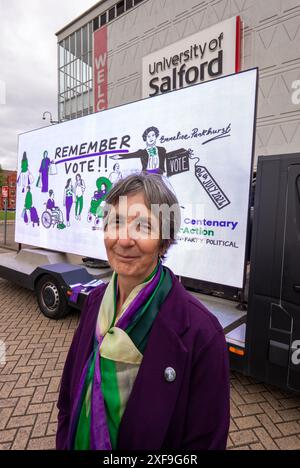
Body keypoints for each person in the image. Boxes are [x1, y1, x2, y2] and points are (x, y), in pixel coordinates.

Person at [56, 173, 230, 450]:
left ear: (164, 242)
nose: (124, 240)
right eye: (116, 222)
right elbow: (68, 398)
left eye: (143, 227)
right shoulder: (95, 303)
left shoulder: (201, 333)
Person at [110, 126, 189, 175]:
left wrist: (183, 151)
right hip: (147, 175)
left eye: (153, 135)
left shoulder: (161, 150)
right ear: (145, 138)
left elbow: (168, 155)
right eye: (149, 136)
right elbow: (130, 155)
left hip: (159, 174)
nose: (151, 138)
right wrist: (118, 157)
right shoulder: (143, 152)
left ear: (156, 136)